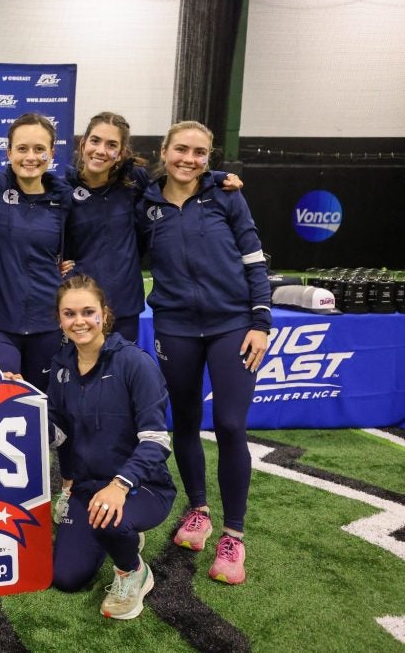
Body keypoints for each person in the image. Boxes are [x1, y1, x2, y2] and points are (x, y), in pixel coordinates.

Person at [137, 121, 270, 585]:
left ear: (209, 158)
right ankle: (199, 511)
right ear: (165, 151)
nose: (189, 160)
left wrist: (260, 321)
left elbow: (254, 258)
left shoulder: (226, 195)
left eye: (199, 153)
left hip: (231, 325)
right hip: (174, 326)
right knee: (185, 420)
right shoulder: (146, 201)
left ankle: (234, 535)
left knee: (232, 425)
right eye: (181, 150)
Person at [48, 275, 175, 620]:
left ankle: (133, 571)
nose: (79, 321)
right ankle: (121, 533)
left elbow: (157, 441)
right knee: (66, 578)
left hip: (142, 487)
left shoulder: (135, 363)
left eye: (88, 312)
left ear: (104, 314)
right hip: (87, 488)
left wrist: (120, 485)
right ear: (59, 319)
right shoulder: (60, 366)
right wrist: (18, 405)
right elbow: (57, 433)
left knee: (108, 519)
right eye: (69, 313)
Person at [63, 112, 245, 343]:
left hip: (124, 305)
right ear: (83, 143)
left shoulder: (134, 181)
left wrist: (218, 177)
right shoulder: (63, 190)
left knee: (120, 374)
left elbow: (175, 181)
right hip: (81, 306)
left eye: (111, 145)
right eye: (95, 141)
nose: (101, 150)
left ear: (121, 152)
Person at [0, 112, 71, 391]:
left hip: (48, 323)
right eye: (22, 148)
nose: (31, 157)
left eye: (40, 149)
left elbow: (78, 250)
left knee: (46, 406)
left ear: (51, 153)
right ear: (9, 152)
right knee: (7, 400)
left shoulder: (63, 198)